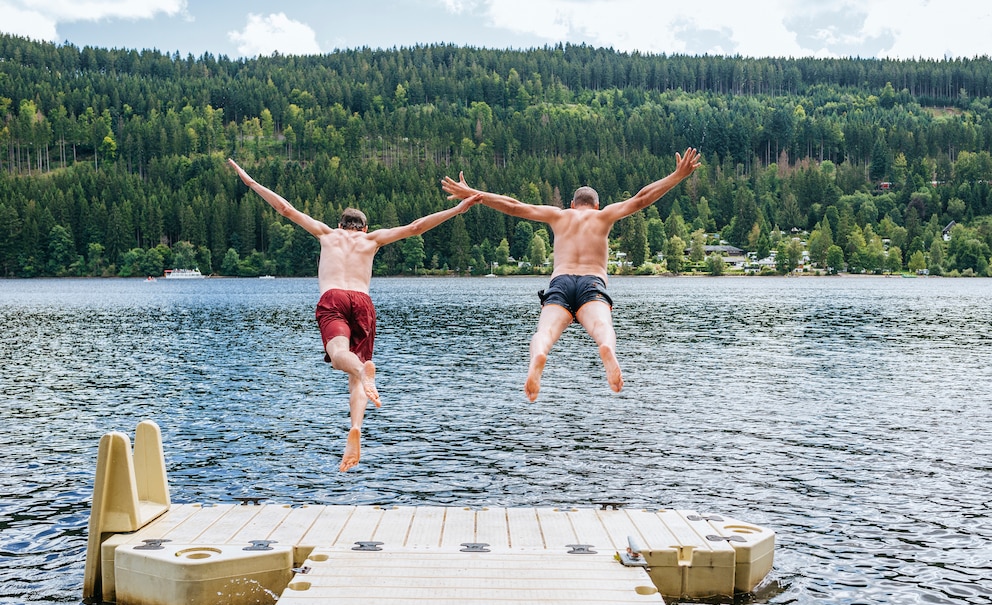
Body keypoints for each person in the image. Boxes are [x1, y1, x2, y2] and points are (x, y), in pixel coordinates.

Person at [230, 159, 481, 471]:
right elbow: (416, 227)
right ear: (364, 227)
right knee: (355, 373)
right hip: (362, 301)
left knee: (338, 355)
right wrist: (458, 210)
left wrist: (251, 183)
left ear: (339, 226)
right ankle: (357, 426)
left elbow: (286, 209)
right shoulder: (372, 239)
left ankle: (362, 373)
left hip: (333, 296)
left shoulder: (326, 234)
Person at [442, 148, 701, 402]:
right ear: (597, 205)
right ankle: (607, 349)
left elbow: (513, 206)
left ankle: (538, 358)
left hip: (561, 282)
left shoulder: (559, 216)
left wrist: (475, 194)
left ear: (572, 205)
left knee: (544, 332)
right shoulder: (604, 216)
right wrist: (677, 176)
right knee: (602, 327)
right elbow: (642, 198)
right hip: (592, 283)